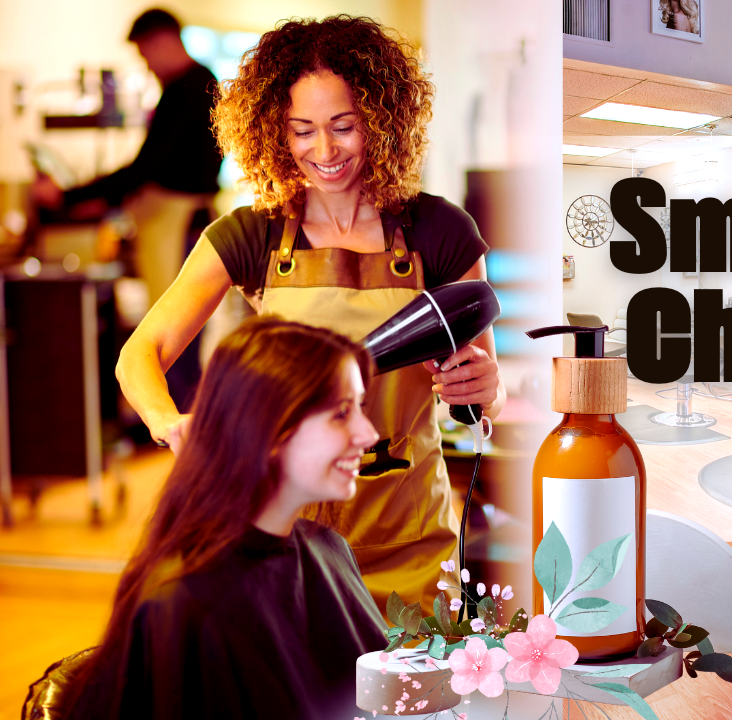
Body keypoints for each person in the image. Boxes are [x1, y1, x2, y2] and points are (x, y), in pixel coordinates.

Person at [116, 15, 505, 612]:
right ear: (276, 133)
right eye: (302, 131)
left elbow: (486, 393)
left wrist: (483, 387)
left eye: (344, 126)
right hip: (287, 548)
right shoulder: (252, 235)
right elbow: (140, 353)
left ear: (381, 119)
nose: (324, 152)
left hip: (411, 543)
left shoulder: (440, 230)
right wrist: (170, 422)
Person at [66, 317, 386, 719]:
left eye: (360, 407)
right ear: (270, 428)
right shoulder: (184, 605)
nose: (368, 434)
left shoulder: (330, 550)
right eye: (341, 413)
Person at [32, 8, 221, 411]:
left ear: (162, 40)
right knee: (181, 339)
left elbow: (144, 169)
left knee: (175, 339)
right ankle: (185, 427)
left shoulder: (188, 88)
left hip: (181, 229)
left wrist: (67, 197)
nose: (147, 65)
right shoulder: (197, 84)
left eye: (145, 54)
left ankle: (182, 430)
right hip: (185, 225)